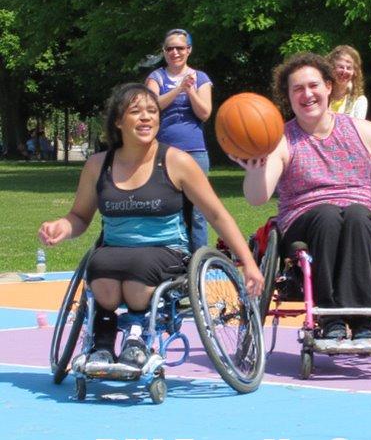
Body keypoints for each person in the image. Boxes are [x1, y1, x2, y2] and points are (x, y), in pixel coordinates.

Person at [38, 83, 263, 365]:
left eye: (152, 111)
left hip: (166, 250)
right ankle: (103, 341)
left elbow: (217, 215)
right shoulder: (98, 165)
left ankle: (136, 335)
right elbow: (80, 217)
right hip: (115, 248)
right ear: (119, 121)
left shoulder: (177, 161)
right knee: (100, 267)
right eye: (136, 111)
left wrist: (248, 263)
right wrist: (61, 226)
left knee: (137, 274)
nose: (146, 117)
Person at [237, 53, 371, 343]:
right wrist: (254, 171)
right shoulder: (281, 140)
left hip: (357, 212)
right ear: (288, 96)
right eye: (297, 89)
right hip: (304, 217)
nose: (307, 94)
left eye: (313, 86)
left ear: (328, 87)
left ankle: (364, 321)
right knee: (327, 215)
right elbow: (257, 197)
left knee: (359, 215)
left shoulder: (362, 130)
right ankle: (330, 318)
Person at [146, 29, 212, 252]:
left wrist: (190, 90)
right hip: (164, 152)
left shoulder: (200, 78)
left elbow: (205, 113)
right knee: (167, 208)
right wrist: (177, 89)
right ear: (164, 52)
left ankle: (199, 260)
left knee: (198, 211)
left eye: (180, 48)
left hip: (195, 152)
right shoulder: (156, 78)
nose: (175, 52)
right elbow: (151, 106)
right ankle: (171, 257)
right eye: (170, 48)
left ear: (189, 50)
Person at [326, 45, 368, 119]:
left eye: (349, 68)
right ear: (331, 68)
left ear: (354, 72)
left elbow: (357, 128)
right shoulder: (321, 95)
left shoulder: (359, 101)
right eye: (341, 67)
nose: (344, 71)